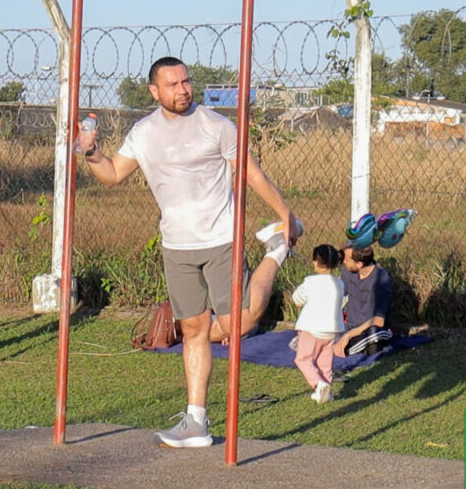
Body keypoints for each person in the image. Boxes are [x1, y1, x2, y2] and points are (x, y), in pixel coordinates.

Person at [77, 56, 300, 448]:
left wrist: (284, 213)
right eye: (172, 84)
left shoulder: (215, 125)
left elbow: (251, 173)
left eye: (186, 82)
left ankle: (276, 251)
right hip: (176, 246)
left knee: (239, 325)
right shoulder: (143, 132)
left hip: (220, 239)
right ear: (154, 91)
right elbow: (112, 175)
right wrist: (90, 152)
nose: (182, 90)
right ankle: (196, 422)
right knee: (194, 330)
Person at [291, 244, 345, 404]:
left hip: (311, 328)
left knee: (303, 359)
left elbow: (297, 299)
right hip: (331, 330)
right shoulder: (339, 284)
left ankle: (318, 384)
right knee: (325, 363)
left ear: (315, 261)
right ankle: (327, 392)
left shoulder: (310, 282)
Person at [334, 244, 393, 357]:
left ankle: (347, 348)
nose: (343, 262)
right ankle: (352, 347)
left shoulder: (381, 279)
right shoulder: (348, 272)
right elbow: (338, 295)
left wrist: (348, 336)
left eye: (346, 259)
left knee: (374, 334)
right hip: (349, 326)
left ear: (359, 264)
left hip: (371, 328)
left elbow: (379, 320)